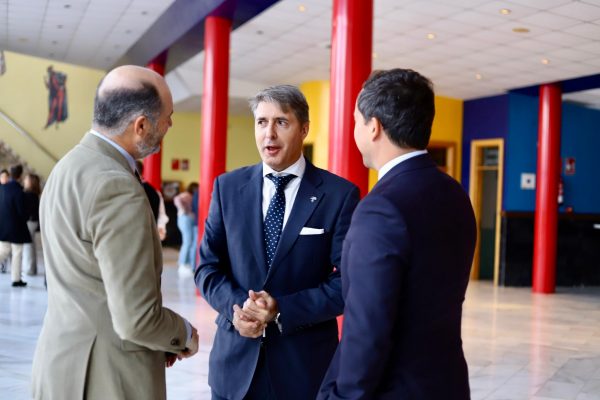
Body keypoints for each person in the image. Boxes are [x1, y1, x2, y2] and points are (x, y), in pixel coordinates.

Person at [32, 65, 199, 400]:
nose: (169, 125)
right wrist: (184, 334)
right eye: (167, 117)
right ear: (141, 125)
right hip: (106, 377)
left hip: (62, 364)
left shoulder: (67, 167)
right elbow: (137, 320)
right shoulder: (117, 185)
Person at [318, 69, 477, 400]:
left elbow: (367, 331)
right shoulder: (455, 193)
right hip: (445, 382)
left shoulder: (381, 208)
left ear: (373, 127)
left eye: (356, 121)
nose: (355, 130)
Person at [195, 85, 360, 400]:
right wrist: (238, 309)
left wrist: (282, 310)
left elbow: (347, 283)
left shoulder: (339, 195)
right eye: (261, 122)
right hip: (234, 367)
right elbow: (207, 267)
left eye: (281, 122)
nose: (269, 133)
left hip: (303, 370)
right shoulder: (227, 188)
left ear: (304, 129)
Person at [0, 164, 31, 287]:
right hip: (16, 227)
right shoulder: (19, 191)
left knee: (3, 250)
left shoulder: (2, 188)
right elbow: (22, 212)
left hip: (2, 225)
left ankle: (16, 278)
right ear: (20, 176)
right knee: (17, 252)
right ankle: (16, 279)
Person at [136, 159, 169, 241]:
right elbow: (162, 214)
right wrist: (161, 228)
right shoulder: (155, 192)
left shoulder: (131, 189)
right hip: (150, 235)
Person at [174, 182, 198, 277]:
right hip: (186, 218)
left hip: (188, 219)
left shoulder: (190, 195)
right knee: (187, 242)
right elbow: (177, 199)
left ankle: (185, 263)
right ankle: (182, 263)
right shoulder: (186, 194)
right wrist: (184, 210)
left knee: (190, 241)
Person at [23, 173, 41, 276]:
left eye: (26, 179)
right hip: (33, 222)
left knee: (28, 246)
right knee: (31, 245)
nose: (24, 181)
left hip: (30, 222)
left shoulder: (29, 195)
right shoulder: (34, 194)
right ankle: (32, 269)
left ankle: (29, 269)